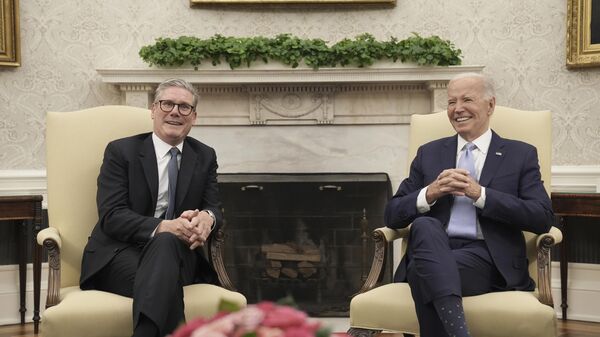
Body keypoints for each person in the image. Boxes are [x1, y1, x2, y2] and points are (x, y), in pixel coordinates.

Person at [384, 73, 554, 337]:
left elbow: (541, 217)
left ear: (490, 105)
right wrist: (430, 193)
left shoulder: (520, 154)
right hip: (435, 247)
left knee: (421, 271)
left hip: (488, 258)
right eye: (451, 101)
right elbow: (392, 214)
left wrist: (480, 194)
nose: (457, 109)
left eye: (467, 99)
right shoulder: (429, 153)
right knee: (426, 226)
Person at [79, 78, 222, 337]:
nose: (175, 111)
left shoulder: (205, 155)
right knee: (164, 271)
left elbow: (214, 207)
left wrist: (207, 218)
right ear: (153, 110)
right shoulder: (121, 152)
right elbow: (111, 216)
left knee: (166, 246)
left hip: (180, 255)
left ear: (194, 117)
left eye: (184, 107)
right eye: (167, 103)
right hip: (118, 254)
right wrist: (164, 226)